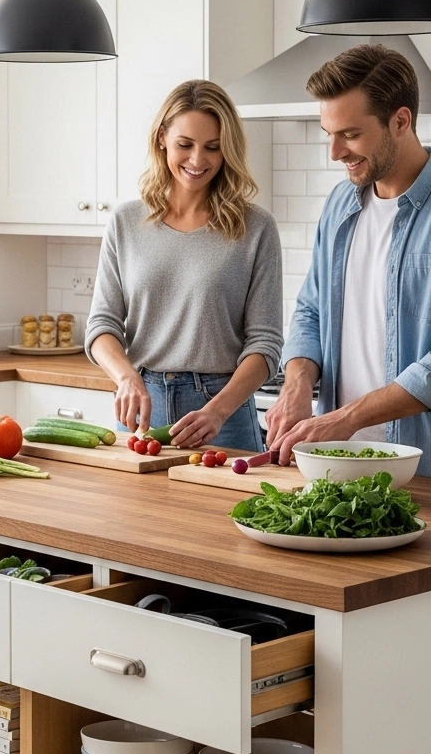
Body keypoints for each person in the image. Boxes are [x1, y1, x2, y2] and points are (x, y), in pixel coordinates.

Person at [85, 79, 283, 448]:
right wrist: (126, 378)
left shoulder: (256, 228)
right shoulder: (126, 222)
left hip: (222, 412)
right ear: (162, 137)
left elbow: (265, 343)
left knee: (224, 509)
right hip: (142, 408)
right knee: (134, 509)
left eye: (212, 147)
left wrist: (218, 410)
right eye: (185, 145)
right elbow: (102, 325)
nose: (197, 160)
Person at [266, 43, 431, 474]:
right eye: (329, 134)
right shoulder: (340, 204)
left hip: (421, 466)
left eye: (351, 134)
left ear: (400, 121)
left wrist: (346, 418)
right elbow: (310, 308)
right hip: (337, 463)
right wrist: (298, 382)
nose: (335, 152)